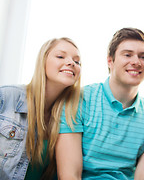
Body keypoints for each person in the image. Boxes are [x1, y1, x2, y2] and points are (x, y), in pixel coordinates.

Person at [56, 28, 144, 180]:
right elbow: (70, 175)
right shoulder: (79, 99)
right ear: (110, 61)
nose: (136, 62)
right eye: (127, 54)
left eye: (143, 57)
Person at [0, 37, 82, 180]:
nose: (71, 63)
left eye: (77, 61)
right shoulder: (7, 96)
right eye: (60, 56)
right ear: (43, 61)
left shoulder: (69, 119)